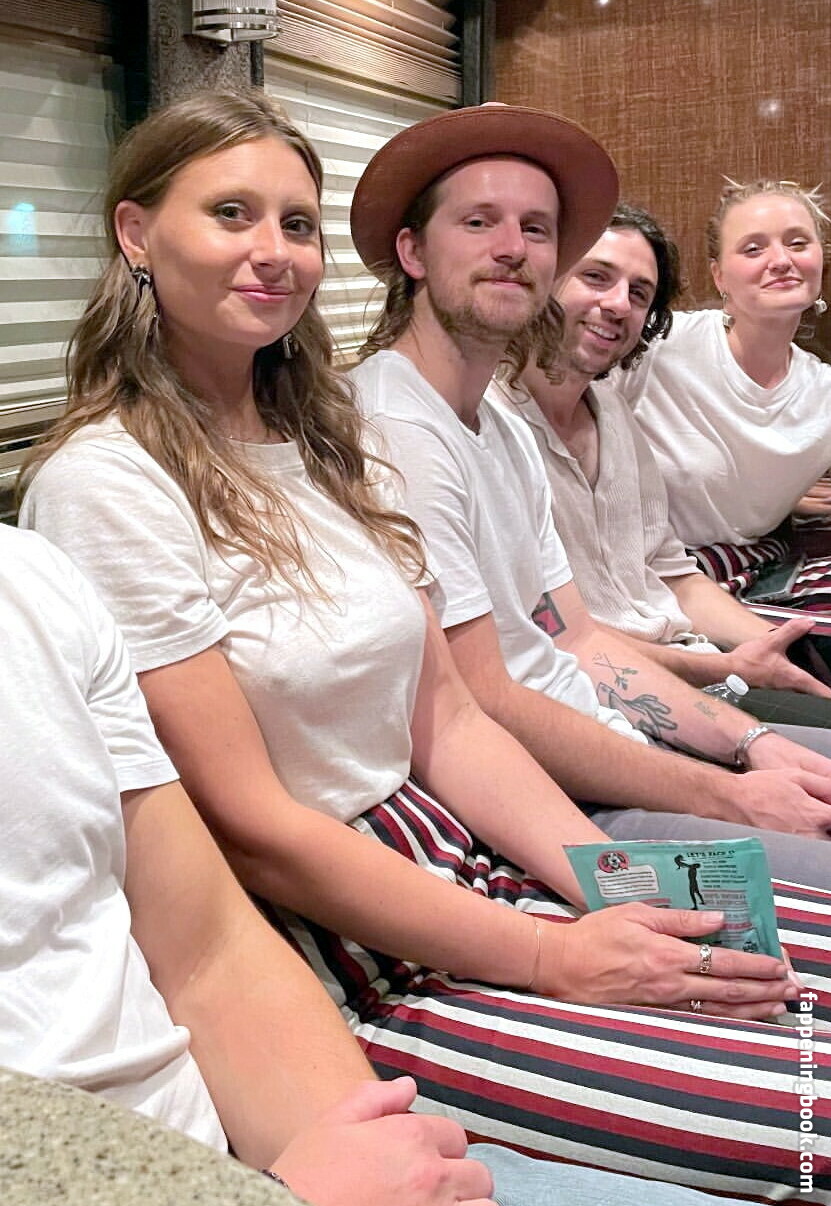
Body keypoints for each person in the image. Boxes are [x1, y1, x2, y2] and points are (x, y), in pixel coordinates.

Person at [16, 91, 830, 1201]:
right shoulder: (108, 485)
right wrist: (552, 953)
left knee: (772, 976)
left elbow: (448, 716)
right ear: (136, 233)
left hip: (475, 851)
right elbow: (251, 828)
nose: (272, 251)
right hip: (351, 940)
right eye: (231, 214)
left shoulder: (329, 442)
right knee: (808, 1109)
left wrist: (602, 888)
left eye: (296, 224)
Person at [348, 123, 831, 885]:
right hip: (557, 787)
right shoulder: (393, 425)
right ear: (412, 251)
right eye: (478, 222)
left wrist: (751, 744)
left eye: (536, 229)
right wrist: (731, 792)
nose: (512, 248)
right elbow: (482, 701)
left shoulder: (499, 428)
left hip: (619, 735)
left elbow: (573, 640)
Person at [0, 524, 495, 1206]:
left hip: (256, 1150)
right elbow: (258, 828)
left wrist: (372, 1162)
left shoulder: (30, 579)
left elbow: (207, 953)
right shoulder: (101, 498)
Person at [490, 203, 831, 735]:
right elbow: (552, 634)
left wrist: (772, 645)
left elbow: (671, 574)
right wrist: (721, 668)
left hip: (684, 650)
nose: (616, 304)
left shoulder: (611, 412)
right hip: (608, 689)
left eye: (639, 293)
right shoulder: (488, 423)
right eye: (596, 277)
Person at [615, 180, 831, 636]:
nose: (781, 260)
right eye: (753, 248)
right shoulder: (657, 345)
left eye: (798, 243)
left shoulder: (822, 392)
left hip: (750, 570)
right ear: (719, 276)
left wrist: (784, 498)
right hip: (643, 573)